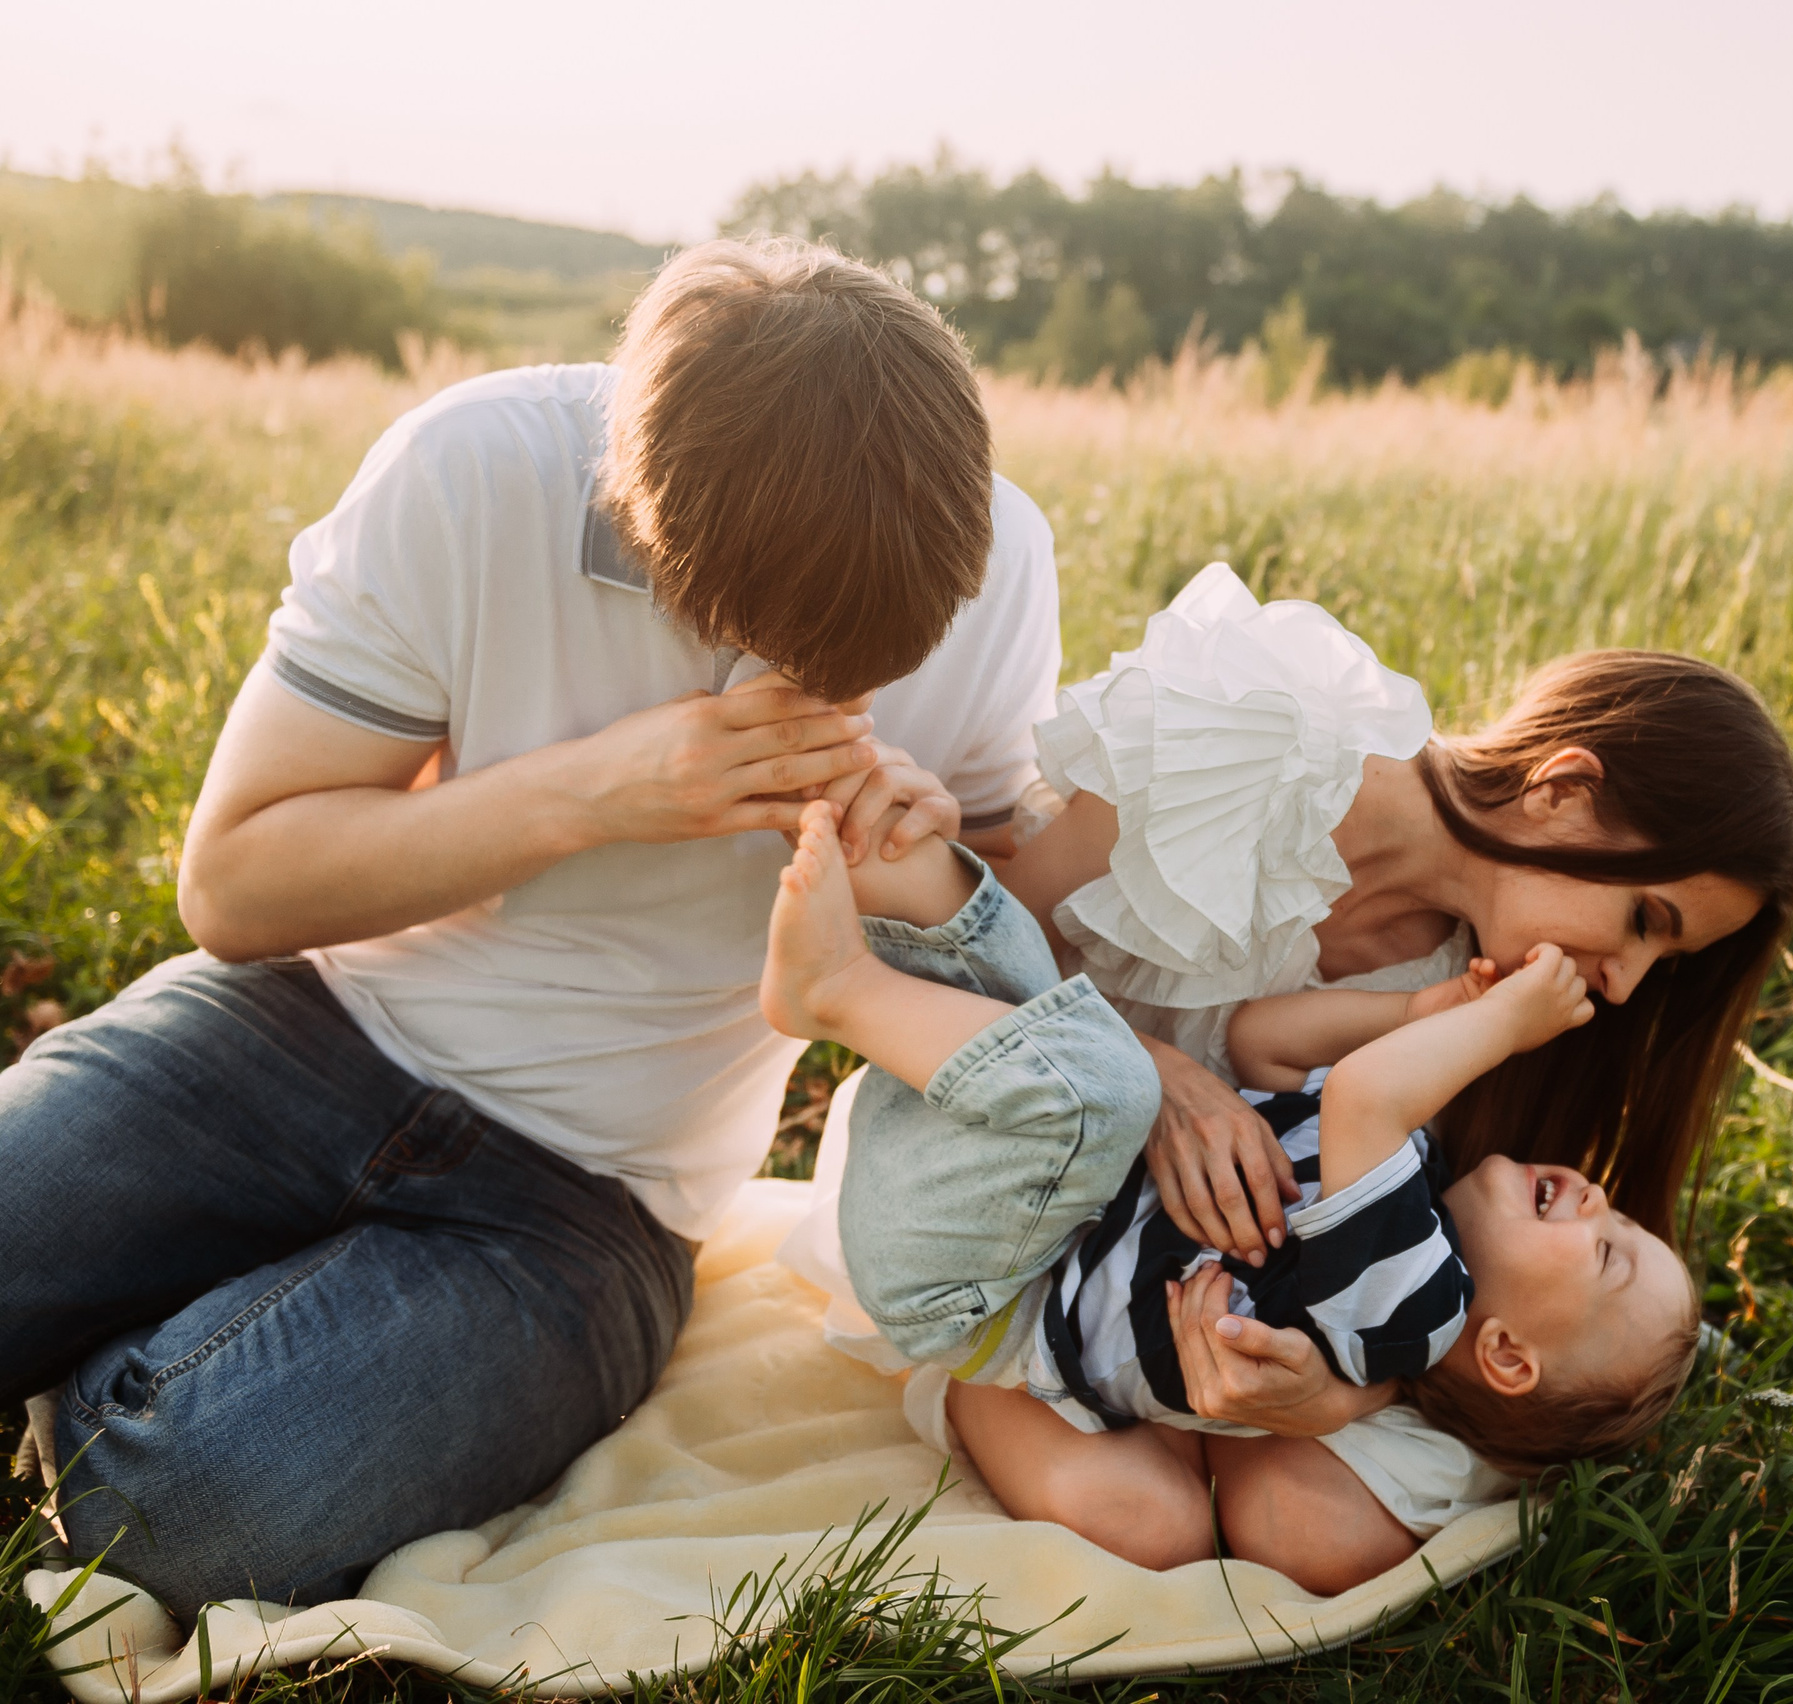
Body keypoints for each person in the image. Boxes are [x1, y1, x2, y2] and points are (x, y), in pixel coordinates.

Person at [0, 236, 1063, 1618]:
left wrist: (922, 876)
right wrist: (595, 791)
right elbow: (237, 887)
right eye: (756, 638)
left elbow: (1007, 918)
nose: (788, 688)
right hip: (292, 1031)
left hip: (591, 1202)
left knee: (171, 1508)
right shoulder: (476, 469)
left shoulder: (993, 554)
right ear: (642, 530)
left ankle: (132, 1369)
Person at [791, 562, 1793, 1590]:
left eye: (1662, 962)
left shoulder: (1476, 997)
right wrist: (1167, 1082)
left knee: (1160, 1527)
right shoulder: (1257, 729)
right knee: (1157, 1483)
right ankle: (988, 1377)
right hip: (987, 1199)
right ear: (1566, 791)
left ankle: (1156, 1396)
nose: (1625, 988)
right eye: (1644, 921)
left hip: (1168, 1295)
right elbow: (976, 941)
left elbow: (1421, 1262)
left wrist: (1335, 1397)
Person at [758, 800, 1700, 1590]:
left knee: (1105, 1088)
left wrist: (1499, 1023)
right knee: (1046, 1002)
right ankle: (886, 852)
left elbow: (1367, 1096)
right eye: (1623, 1213)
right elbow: (1261, 1045)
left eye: (1608, 1249)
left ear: (1503, 1353)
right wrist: (1411, 1014)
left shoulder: (1410, 1312)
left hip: (973, 1282)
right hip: (991, 1199)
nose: (1594, 1198)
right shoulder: (1414, 1178)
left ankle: (833, 989)